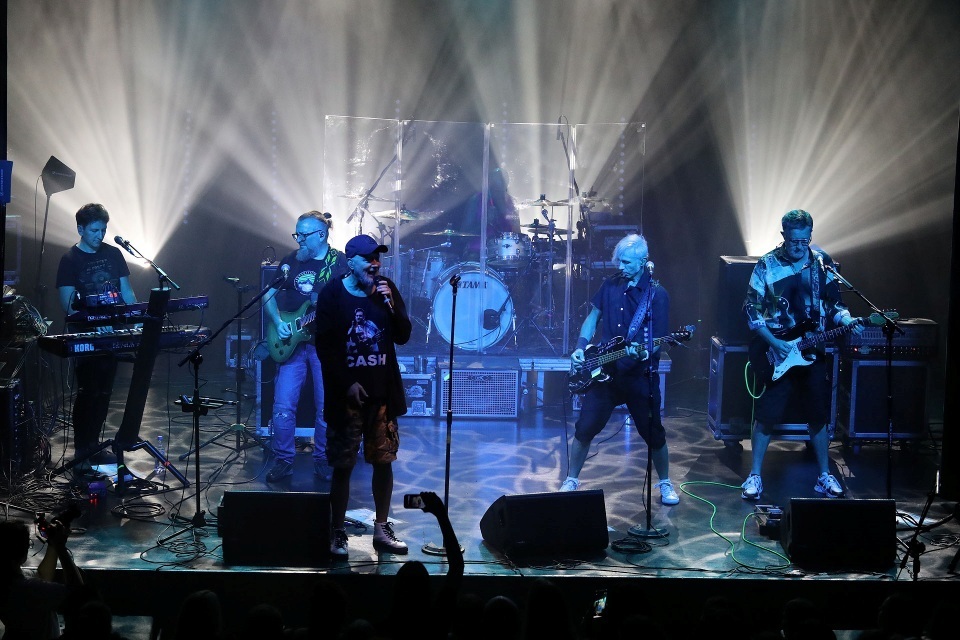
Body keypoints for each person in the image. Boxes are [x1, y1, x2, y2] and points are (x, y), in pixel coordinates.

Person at [740, 209, 862, 500]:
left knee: (818, 415)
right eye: (793, 241)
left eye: (804, 241)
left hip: (811, 350)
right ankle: (754, 476)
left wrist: (847, 321)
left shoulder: (820, 263)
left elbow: (834, 305)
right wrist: (774, 342)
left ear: (810, 236)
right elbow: (751, 310)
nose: (798, 246)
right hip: (777, 350)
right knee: (767, 415)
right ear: (784, 236)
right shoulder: (767, 264)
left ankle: (824, 476)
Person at [559, 233, 679, 505]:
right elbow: (593, 318)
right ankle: (572, 478)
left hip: (640, 376)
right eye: (619, 261)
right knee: (585, 427)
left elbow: (657, 341)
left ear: (643, 261)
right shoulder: (610, 285)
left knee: (653, 432)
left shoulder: (657, 294)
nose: (620, 267)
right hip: (605, 373)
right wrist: (580, 346)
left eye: (626, 262)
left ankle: (665, 483)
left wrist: (643, 352)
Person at [314, 234, 412, 557]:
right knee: (343, 465)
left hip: (381, 394)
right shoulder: (332, 294)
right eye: (369, 258)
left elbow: (403, 335)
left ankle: (381, 528)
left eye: (377, 258)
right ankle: (337, 531)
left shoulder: (385, 290)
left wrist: (392, 305)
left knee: (384, 462)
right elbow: (325, 347)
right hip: (347, 398)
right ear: (351, 261)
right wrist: (347, 384)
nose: (375, 264)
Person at [264, 211, 347, 483]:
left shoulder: (339, 263)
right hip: (290, 342)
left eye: (303, 234)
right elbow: (268, 295)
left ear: (321, 235)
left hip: (325, 344)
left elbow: (350, 301)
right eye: (296, 234)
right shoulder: (291, 261)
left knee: (326, 407)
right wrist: (278, 322)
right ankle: (283, 460)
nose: (298, 239)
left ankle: (322, 459)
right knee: (282, 405)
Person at [55, 204, 137, 471]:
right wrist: (93, 322)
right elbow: (68, 305)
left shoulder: (113, 254)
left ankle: (94, 447)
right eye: (94, 230)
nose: (100, 235)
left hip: (112, 334)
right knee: (88, 391)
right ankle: (82, 451)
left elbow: (127, 292)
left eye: (103, 230)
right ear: (80, 229)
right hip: (86, 336)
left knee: (104, 392)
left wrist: (137, 320)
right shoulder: (70, 259)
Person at [0, 516, 84, 640]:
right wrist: (60, 547)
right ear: (21, 551)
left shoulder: (8, 581)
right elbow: (79, 595)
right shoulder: (28, 590)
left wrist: (52, 544)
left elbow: (43, 576)